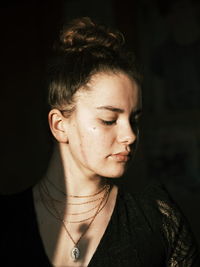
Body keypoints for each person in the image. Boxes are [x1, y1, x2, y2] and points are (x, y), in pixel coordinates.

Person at [1, 17, 199, 267]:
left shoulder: (158, 218)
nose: (131, 135)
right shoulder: (7, 221)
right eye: (108, 119)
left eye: (134, 119)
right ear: (60, 126)